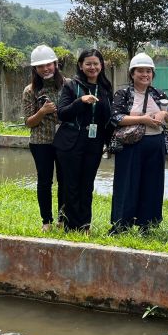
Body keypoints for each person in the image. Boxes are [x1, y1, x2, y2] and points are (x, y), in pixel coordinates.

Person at [110, 53, 168, 234]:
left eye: (148, 71)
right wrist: (143, 119)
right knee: (126, 184)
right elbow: (115, 117)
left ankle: (147, 225)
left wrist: (164, 114)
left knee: (152, 185)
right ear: (132, 73)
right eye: (140, 71)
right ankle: (121, 224)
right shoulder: (123, 93)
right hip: (130, 145)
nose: (145, 74)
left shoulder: (158, 94)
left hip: (155, 144)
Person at [53, 49, 113, 233]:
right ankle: (71, 226)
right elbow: (61, 113)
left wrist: (109, 143)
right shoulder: (71, 85)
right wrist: (80, 101)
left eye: (96, 63)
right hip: (70, 143)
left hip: (94, 143)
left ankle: (85, 225)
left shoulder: (105, 88)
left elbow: (108, 119)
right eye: (88, 63)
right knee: (71, 185)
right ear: (81, 65)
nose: (92, 67)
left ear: (101, 66)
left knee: (87, 185)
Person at [21, 45, 65, 230]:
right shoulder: (30, 90)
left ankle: (62, 220)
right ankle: (46, 221)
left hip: (64, 141)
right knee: (44, 181)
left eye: (49, 64)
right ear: (35, 69)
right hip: (41, 142)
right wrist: (42, 111)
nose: (45, 69)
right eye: (40, 66)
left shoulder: (68, 85)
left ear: (55, 64)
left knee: (64, 180)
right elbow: (28, 122)